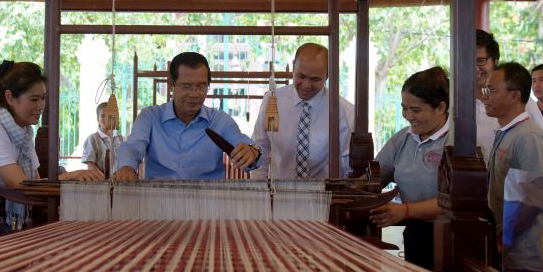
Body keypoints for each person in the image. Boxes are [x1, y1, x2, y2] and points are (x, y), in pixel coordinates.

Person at [0, 61, 102, 249]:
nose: (41, 106)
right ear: (10, 97)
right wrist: (71, 176)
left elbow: (36, 182)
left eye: (43, 98)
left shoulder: (23, 134)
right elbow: (22, 185)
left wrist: (72, 178)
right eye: (34, 99)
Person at [114, 52, 261, 181]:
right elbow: (132, 147)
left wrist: (251, 152)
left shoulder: (219, 121)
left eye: (201, 86)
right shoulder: (150, 117)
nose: (194, 94)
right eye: (186, 86)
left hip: (210, 201)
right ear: (171, 84)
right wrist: (127, 167)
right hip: (158, 199)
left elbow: (245, 144)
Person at [369, 67, 450, 270]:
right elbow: (374, 177)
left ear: (441, 107)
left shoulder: (457, 142)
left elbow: (456, 201)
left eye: (415, 110)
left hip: (448, 237)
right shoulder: (404, 138)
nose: (408, 115)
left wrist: (405, 210)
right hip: (415, 231)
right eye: (404, 108)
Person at [483, 62, 543, 272]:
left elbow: (535, 198)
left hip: (520, 257)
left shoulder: (529, 137)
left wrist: (503, 238)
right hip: (503, 250)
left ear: (514, 95)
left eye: (492, 90)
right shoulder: (507, 133)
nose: (484, 97)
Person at [250, 43, 354, 179]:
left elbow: (349, 164)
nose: (306, 85)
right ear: (293, 67)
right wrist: (259, 187)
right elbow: (260, 149)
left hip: (326, 191)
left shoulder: (344, 111)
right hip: (277, 190)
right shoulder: (272, 101)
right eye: (301, 76)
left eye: (315, 79)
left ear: (327, 75)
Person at [474, 30, 543, 159]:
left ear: (495, 61)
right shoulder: (453, 100)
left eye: (480, 60)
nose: (474, 67)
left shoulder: (519, 101)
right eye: (466, 60)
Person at [81, 101, 125, 175]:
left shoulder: (122, 139)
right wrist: (103, 179)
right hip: (100, 180)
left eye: (110, 116)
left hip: (119, 180)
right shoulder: (92, 139)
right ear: (97, 119)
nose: (106, 119)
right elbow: (90, 165)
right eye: (103, 116)